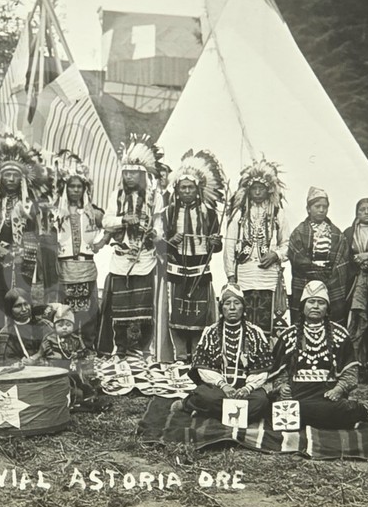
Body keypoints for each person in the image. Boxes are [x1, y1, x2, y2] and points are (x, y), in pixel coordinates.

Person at [0, 132, 45, 361]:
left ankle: (19, 347)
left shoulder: (28, 202)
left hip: (21, 261)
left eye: (15, 175)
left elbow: (33, 230)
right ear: (0, 177)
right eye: (7, 174)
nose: (11, 179)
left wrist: (23, 253)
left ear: (21, 178)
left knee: (20, 302)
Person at [270, 281, 368, 429]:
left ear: (327, 308)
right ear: (303, 307)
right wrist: (282, 387)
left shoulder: (340, 334)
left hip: (327, 394)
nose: (315, 306)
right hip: (297, 394)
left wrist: (339, 389)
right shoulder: (288, 335)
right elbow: (278, 371)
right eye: (311, 302)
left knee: (337, 409)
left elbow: (351, 371)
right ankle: (338, 419)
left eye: (321, 303)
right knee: (282, 410)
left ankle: (360, 410)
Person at [96, 134, 167, 358]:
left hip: (145, 258)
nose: (128, 177)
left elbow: (160, 226)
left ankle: (143, 347)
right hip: (121, 257)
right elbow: (106, 221)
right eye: (125, 173)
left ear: (142, 175)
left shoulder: (155, 196)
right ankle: (121, 347)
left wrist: (154, 233)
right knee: (119, 306)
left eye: (133, 173)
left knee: (144, 306)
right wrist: (124, 220)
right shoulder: (115, 195)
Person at [171, 284, 272, 422]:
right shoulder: (210, 332)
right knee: (206, 396)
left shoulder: (255, 333)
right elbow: (202, 366)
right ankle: (199, 405)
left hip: (246, 390)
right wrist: (223, 385)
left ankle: (206, 411)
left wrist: (247, 389)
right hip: (218, 388)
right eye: (227, 303)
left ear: (243, 308)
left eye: (236, 303)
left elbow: (262, 367)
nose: (232, 308)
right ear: (221, 308)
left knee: (261, 401)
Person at [163, 149, 226, 361]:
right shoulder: (169, 213)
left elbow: (216, 247)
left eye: (191, 187)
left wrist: (214, 243)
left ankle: (198, 352)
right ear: (177, 190)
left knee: (200, 313)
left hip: (200, 270)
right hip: (176, 270)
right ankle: (180, 353)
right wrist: (171, 243)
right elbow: (160, 244)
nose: (187, 191)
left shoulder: (209, 213)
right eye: (183, 188)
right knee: (176, 313)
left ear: (198, 189)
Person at [223, 159, 290, 340]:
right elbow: (229, 246)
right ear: (248, 190)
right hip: (244, 275)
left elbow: (287, 244)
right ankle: (243, 354)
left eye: (261, 188)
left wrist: (276, 254)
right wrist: (230, 275)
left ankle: (265, 357)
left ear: (269, 189)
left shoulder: (277, 213)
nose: (258, 192)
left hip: (268, 277)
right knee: (244, 317)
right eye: (254, 188)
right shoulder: (239, 214)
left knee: (266, 319)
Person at [50, 151, 105, 348]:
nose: (75, 190)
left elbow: (112, 225)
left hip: (87, 267)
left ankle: (89, 347)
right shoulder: (56, 212)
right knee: (66, 309)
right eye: (71, 186)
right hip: (65, 268)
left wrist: (101, 242)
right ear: (65, 188)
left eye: (79, 186)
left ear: (84, 189)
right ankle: (67, 346)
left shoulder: (92, 212)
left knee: (89, 310)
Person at [287, 187, 350, 325]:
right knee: (302, 317)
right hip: (305, 279)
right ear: (308, 209)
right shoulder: (299, 232)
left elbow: (341, 260)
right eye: (317, 206)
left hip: (330, 279)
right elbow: (297, 258)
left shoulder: (337, 234)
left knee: (331, 319)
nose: (321, 210)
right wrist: (316, 273)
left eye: (325, 207)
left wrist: (329, 275)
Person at [343, 198, 368, 378]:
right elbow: (343, 257)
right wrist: (356, 260)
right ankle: (356, 362)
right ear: (356, 214)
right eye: (362, 210)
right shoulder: (349, 233)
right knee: (356, 318)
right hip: (355, 282)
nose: (366, 212)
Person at [0, 288, 55, 366]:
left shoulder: (44, 326)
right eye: (18, 306)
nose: (24, 309)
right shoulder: (5, 334)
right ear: (9, 309)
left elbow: (56, 357)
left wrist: (37, 361)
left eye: (26, 304)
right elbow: (0, 364)